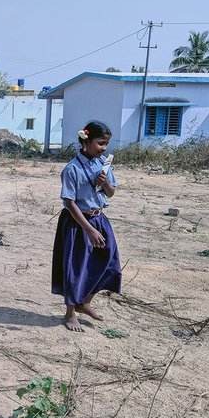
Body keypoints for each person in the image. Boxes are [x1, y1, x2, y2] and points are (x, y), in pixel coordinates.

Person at [52, 120, 122, 332]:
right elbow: (69, 202)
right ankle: (70, 313)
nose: (104, 148)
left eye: (106, 144)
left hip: (99, 219)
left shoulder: (104, 165)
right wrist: (88, 229)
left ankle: (85, 302)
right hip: (77, 222)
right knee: (76, 267)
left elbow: (111, 193)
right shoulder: (72, 169)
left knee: (110, 264)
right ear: (86, 142)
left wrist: (105, 184)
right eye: (100, 143)